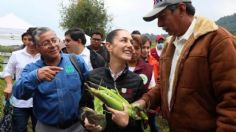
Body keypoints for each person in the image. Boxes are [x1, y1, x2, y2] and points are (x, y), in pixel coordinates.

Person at [133, 0, 236, 131]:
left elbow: (231, 101)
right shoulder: (169, 45)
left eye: (162, 16)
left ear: (181, 9)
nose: (159, 24)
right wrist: (144, 102)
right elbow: (163, 85)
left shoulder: (218, 41)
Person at [13, 27, 89, 132]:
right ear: (37, 48)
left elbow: (89, 87)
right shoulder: (32, 69)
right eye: (46, 43)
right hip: (47, 127)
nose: (53, 45)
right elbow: (18, 93)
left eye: (54, 40)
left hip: (78, 126)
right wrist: (35, 77)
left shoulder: (75, 61)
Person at [84, 29, 145, 132]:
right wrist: (85, 121)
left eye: (131, 41)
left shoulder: (137, 81)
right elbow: (83, 108)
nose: (130, 45)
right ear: (109, 46)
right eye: (124, 40)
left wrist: (126, 124)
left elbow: (139, 122)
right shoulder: (92, 77)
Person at [3, 28, 40, 132]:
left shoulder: (45, 55)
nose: (30, 43)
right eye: (27, 39)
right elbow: (7, 71)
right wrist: (9, 85)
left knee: (39, 129)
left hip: (40, 100)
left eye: (33, 40)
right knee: (19, 128)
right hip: (20, 100)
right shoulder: (16, 55)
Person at [128, 34, 158, 132]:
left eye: (136, 48)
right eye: (130, 47)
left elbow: (151, 90)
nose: (133, 51)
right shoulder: (118, 66)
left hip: (139, 114)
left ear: (140, 50)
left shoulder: (148, 69)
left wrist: (147, 109)